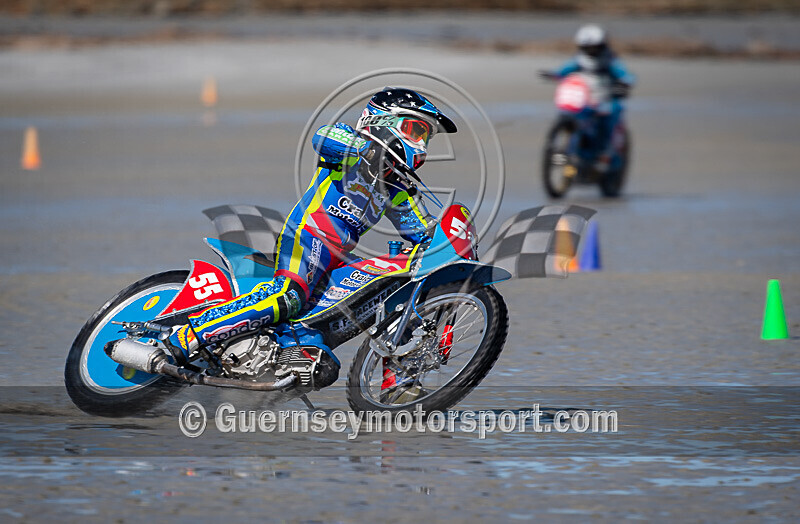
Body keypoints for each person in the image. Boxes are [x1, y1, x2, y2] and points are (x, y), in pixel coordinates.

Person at [163, 87, 457, 361]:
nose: (422, 144)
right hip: (307, 238)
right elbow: (323, 135)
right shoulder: (346, 150)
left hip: (340, 258)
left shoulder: (397, 190)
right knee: (287, 297)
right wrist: (364, 148)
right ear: (383, 121)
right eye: (415, 130)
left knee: (390, 294)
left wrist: (454, 247)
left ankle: (397, 391)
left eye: (426, 137)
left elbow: (424, 234)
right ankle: (188, 336)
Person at [542, 24, 635, 172]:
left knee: (609, 117)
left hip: (605, 98)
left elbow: (625, 75)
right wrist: (554, 74)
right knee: (571, 115)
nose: (591, 51)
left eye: (594, 47)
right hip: (584, 98)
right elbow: (564, 70)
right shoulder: (579, 60)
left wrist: (624, 84)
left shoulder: (610, 60)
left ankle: (606, 154)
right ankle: (568, 152)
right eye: (587, 47)